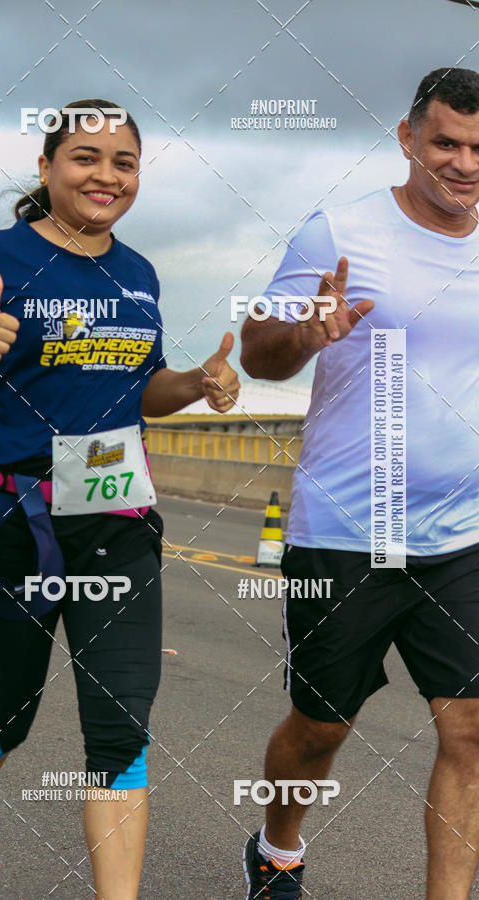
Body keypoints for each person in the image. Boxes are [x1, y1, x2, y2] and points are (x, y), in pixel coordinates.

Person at [0, 99, 240, 900]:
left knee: (120, 728)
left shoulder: (139, 272)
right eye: (85, 157)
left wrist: (195, 383)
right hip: (6, 514)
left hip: (116, 517)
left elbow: (141, 389)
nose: (105, 175)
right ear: (47, 168)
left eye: (123, 162)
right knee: (9, 711)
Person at [240, 68, 479, 899]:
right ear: (409, 138)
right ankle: (277, 846)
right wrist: (307, 333)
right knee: (320, 729)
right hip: (345, 529)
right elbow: (256, 355)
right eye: (446, 142)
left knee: (472, 731)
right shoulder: (338, 231)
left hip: (463, 536)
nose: (464, 163)